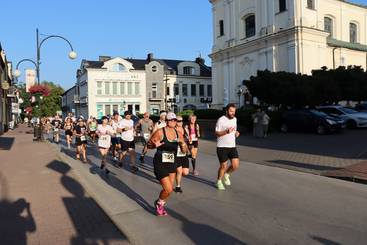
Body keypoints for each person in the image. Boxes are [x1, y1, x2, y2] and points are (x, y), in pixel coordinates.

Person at [148, 112, 188, 216]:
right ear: (166, 121)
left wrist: (182, 143)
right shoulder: (160, 132)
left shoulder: (178, 133)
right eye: (170, 120)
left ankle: (159, 202)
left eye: (174, 120)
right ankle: (159, 204)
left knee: (169, 190)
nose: (173, 122)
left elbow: (184, 151)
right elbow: (149, 144)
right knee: (168, 188)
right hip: (160, 162)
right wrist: (154, 145)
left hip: (172, 162)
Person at [215, 103, 240, 191]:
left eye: (234, 111)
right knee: (223, 166)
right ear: (226, 111)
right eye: (231, 111)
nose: (233, 113)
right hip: (222, 147)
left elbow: (234, 130)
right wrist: (226, 132)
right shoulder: (221, 120)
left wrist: (236, 133)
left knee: (235, 165)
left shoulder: (235, 119)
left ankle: (227, 174)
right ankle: (218, 181)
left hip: (232, 146)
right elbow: (216, 133)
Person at [174, 115, 190, 193]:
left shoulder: (185, 129)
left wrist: (189, 140)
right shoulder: (173, 130)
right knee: (179, 171)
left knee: (185, 172)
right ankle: (178, 186)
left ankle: (175, 174)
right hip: (176, 153)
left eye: (181, 121)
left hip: (184, 153)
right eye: (178, 121)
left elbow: (188, 139)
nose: (180, 122)